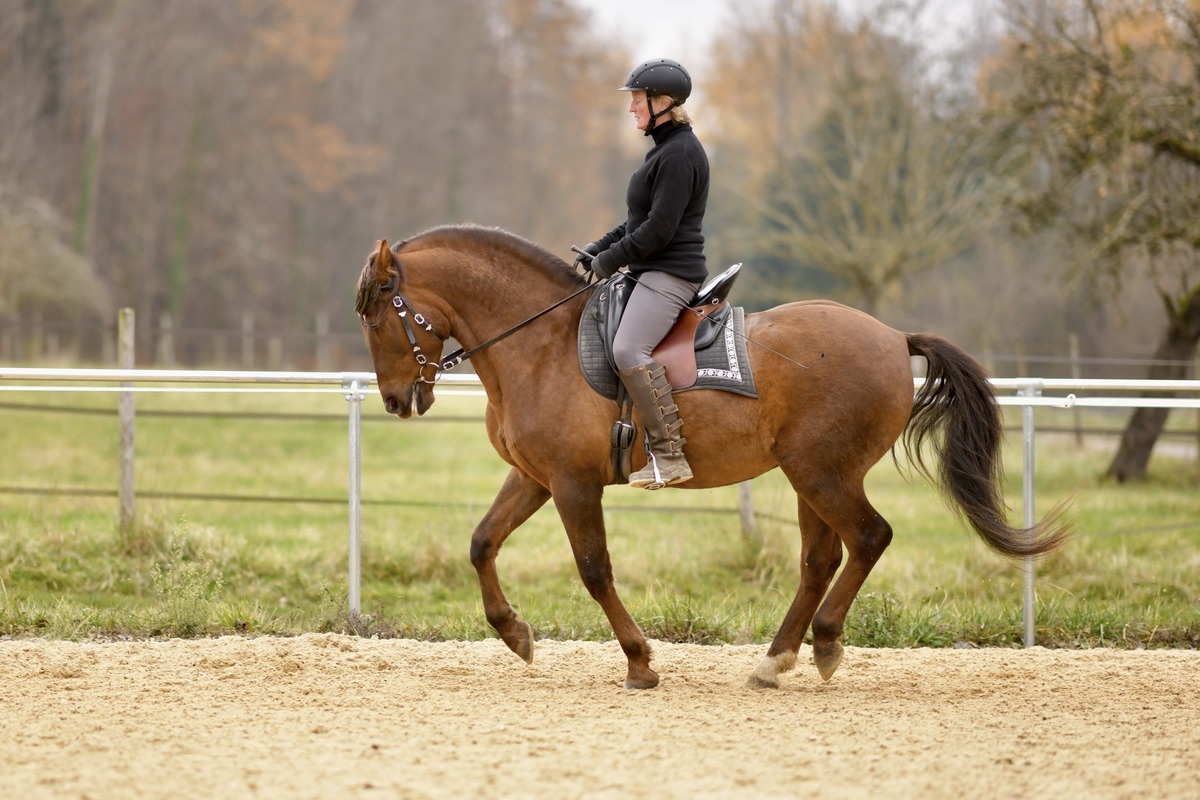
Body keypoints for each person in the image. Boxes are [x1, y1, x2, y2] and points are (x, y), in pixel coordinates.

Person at [578, 58, 710, 490]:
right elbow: (637, 222)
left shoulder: (680, 154)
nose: (631, 107)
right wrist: (598, 249)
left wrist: (611, 260)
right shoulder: (664, 151)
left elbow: (659, 229)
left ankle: (670, 454)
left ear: (663, 102)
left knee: (629, 348)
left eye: (638, 98)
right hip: (649, 269)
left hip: (670, 275)